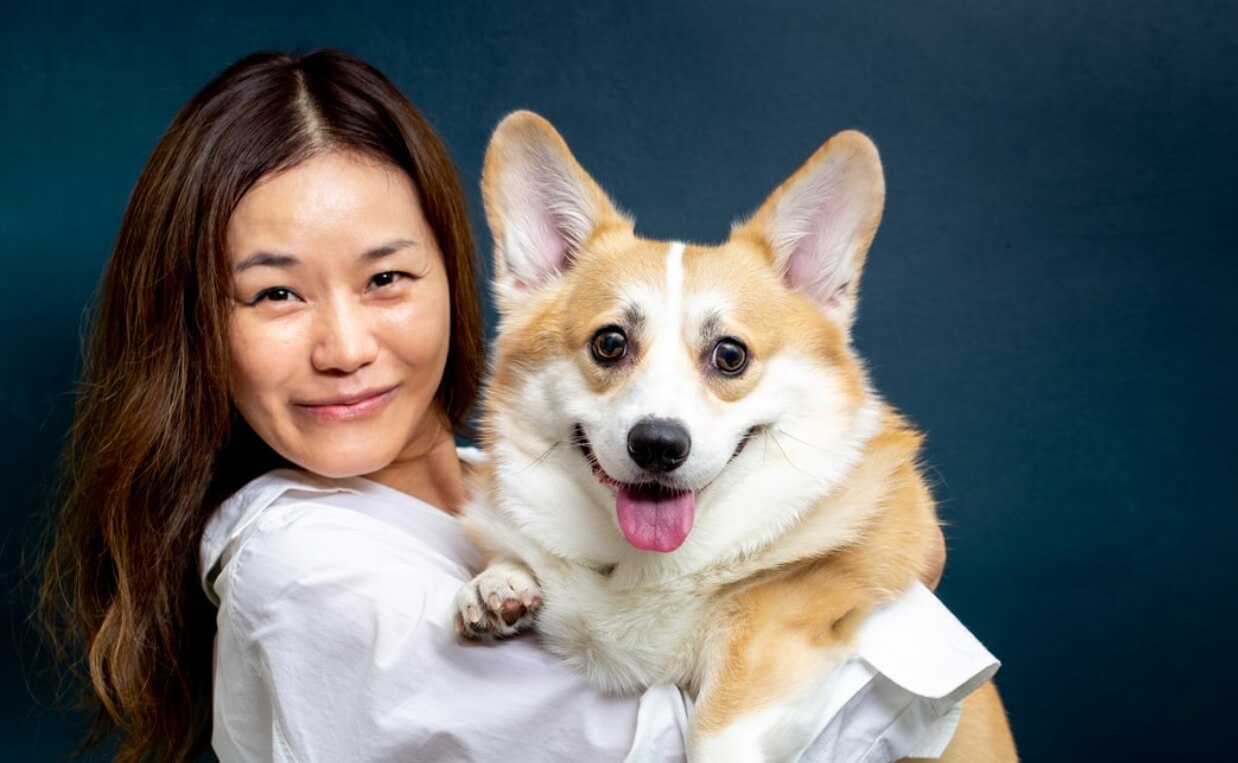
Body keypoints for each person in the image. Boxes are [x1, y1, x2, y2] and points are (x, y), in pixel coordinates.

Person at [41, 49, 986, 763]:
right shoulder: (313, 579)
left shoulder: (504, 486)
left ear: (454, 272)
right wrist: (883, 566)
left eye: (385, 278)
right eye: (276, 293)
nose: (344, 348)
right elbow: (689, 738)